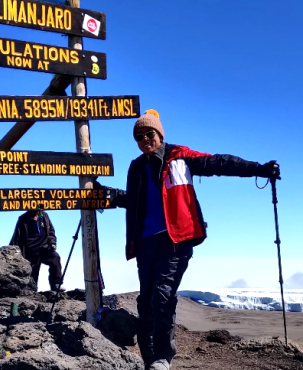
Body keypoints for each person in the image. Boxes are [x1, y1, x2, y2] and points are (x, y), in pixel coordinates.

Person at [100, 109, 280, 370]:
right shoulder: (136, 166)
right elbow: (135, 201)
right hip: (145, 243)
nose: (144, 140)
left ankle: (163, 357)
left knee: (162, 296)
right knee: (146, 299)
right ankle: (150, 357)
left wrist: (258, 169)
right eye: (139, 137)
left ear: (160, 134)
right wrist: (112, 195)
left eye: (149, 134)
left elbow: (219, 162)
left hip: (175, 241)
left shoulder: (180, 157)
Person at [10, 209, 64, 292]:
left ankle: (56, 285)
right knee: (33, 277)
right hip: (30, 251)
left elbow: (51, 232)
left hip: (44, 248)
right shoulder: (23, 218)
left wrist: (52, 243)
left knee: (55, 258)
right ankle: (32, 293)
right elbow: (16, 237)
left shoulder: (44, 216)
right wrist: (12, 253)